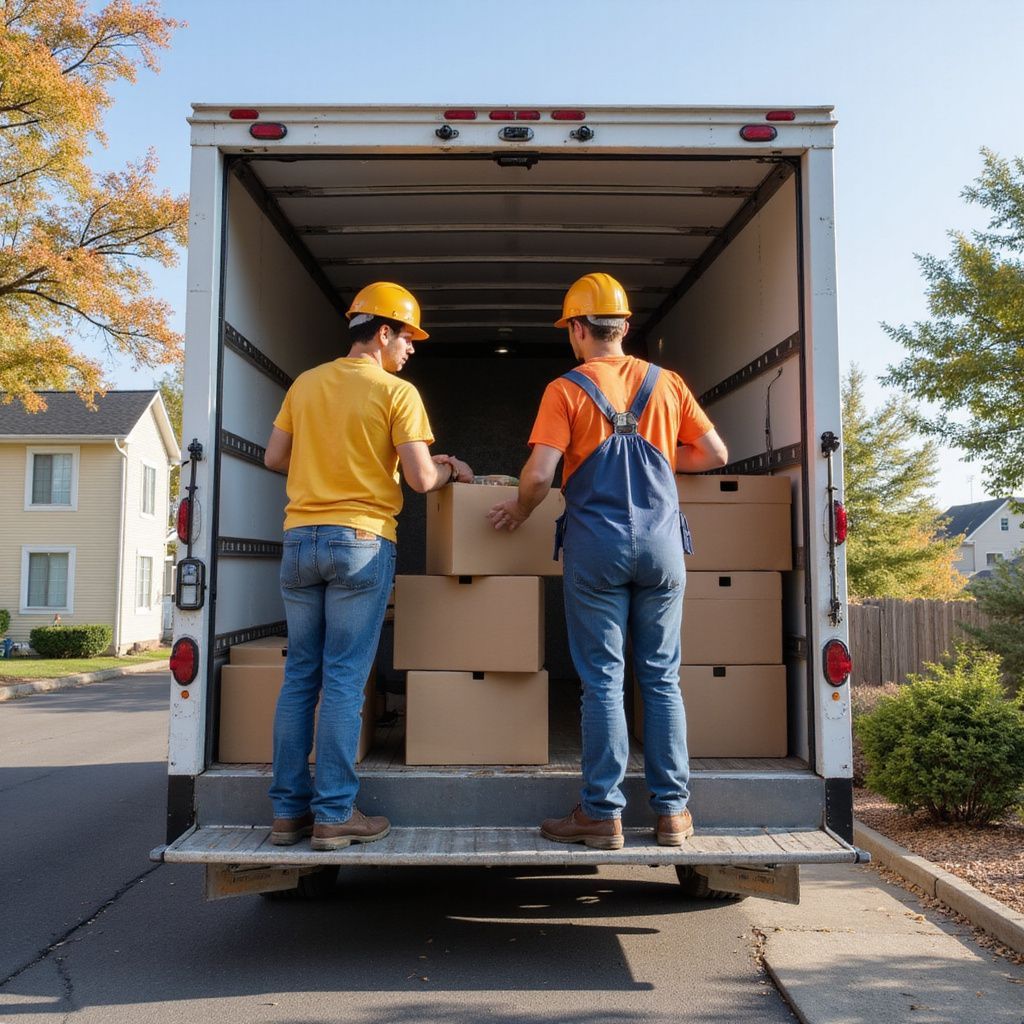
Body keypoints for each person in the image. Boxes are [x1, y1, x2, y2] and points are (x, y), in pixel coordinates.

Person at [488, 273, 727, 849]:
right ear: (623, 326)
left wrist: (520, 510)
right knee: (663, 680)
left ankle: (602, 813)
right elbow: (715, 453)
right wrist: (663, 459)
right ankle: (673, 813)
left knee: (603, 682)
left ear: (576, 329)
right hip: (664, 547)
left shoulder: (566, 388)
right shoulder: (666, 383)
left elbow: (541, 474)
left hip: (597, 548)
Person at [264, 281, 473, 851]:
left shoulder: (305, 384)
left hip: (299, 539)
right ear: (383, 332)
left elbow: (274, 456)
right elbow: (421, 479)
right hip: (361, 540)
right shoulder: (396, 392)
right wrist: (452, 466)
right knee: (344, 681)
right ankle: (333, 813)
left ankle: (287, 814)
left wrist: (323, 467)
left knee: (300, 676)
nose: (411, 349)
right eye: (408, 337)